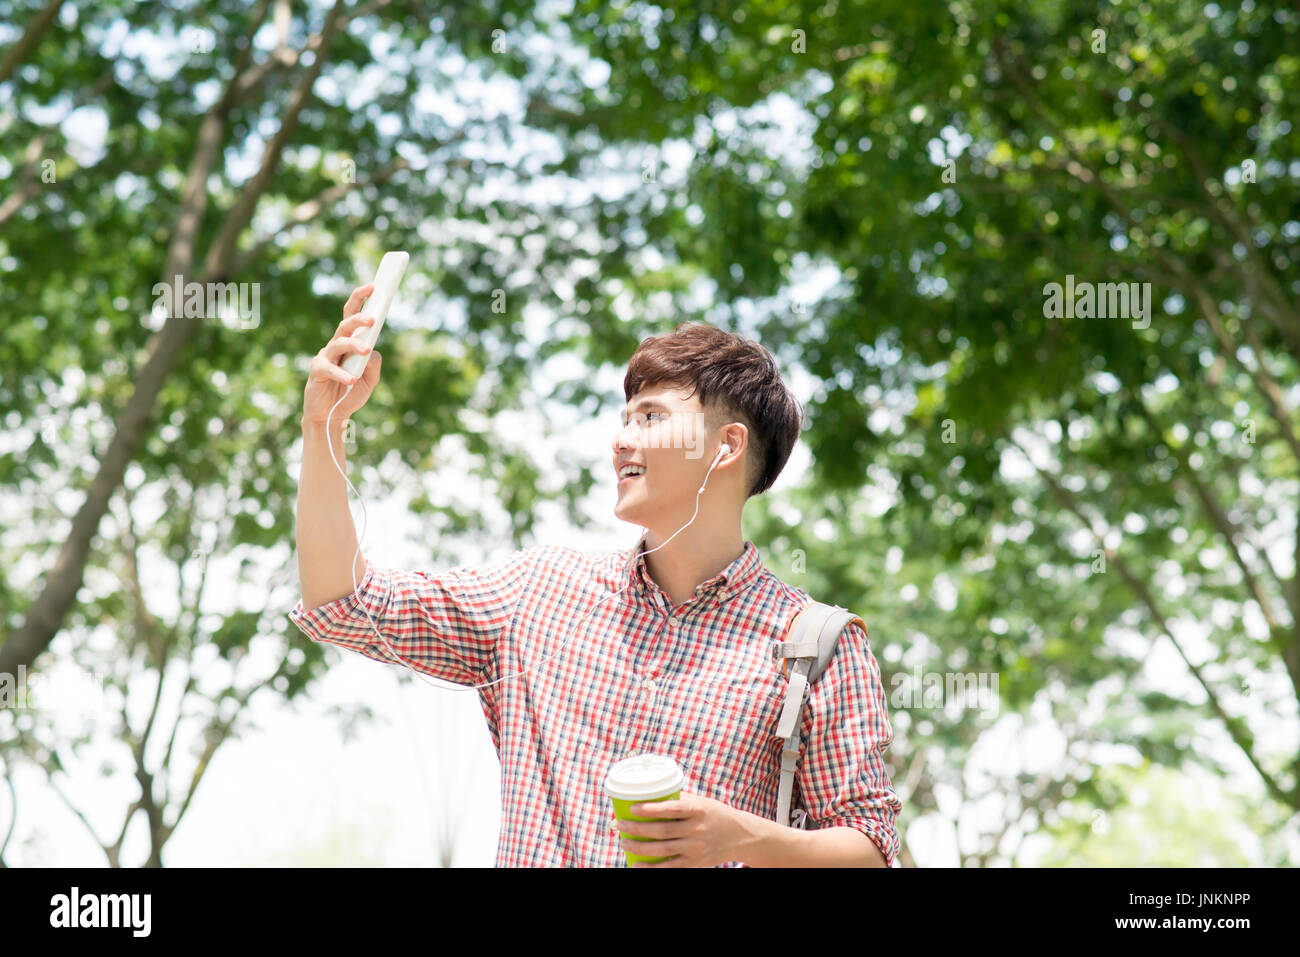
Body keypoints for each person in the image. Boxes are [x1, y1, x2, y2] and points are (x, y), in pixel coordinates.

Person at [288, 285, 903, 867]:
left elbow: (873, 849)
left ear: (727, 446)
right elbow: (343, 602)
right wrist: (324, 427)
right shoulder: (539, 593)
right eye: (624, 418)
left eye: (650, 418)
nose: (621, 440)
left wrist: (737, 836)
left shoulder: (815, 645)